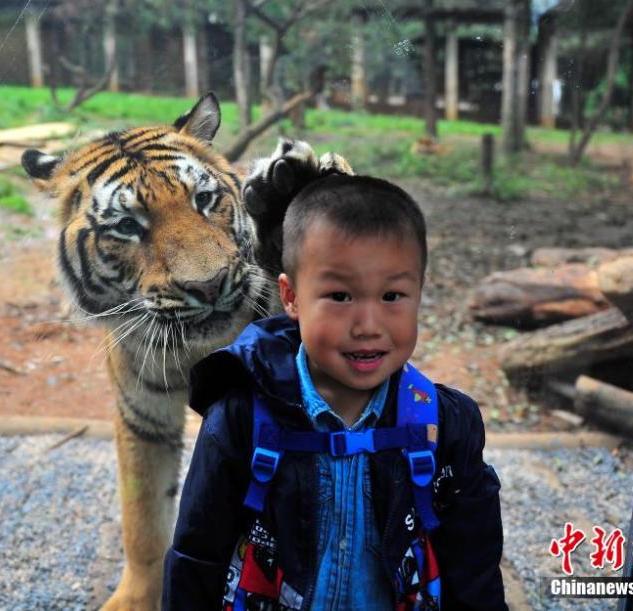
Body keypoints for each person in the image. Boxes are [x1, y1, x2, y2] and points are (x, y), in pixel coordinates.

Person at [163, 174, 507, 610]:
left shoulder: (444, 425)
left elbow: (473, 565)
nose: (367, 325)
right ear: (291, 297)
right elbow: (196, 556)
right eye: (340, 295)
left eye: (392, 295)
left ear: (420, 291)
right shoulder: (241, 419)